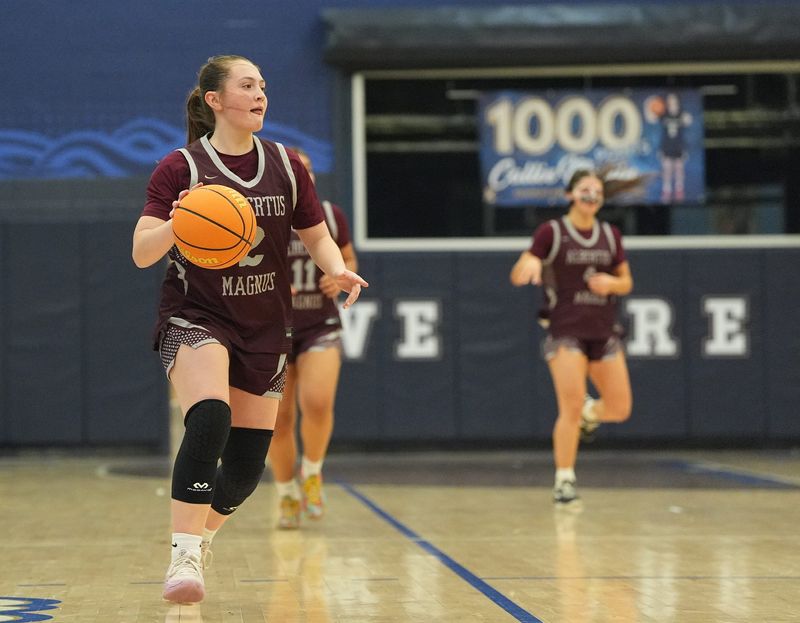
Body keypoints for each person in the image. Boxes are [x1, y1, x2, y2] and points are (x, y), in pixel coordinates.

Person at [131, 54, 368, 604]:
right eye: (247, 85)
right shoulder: (180, 168)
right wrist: (178, 222)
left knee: (243, 469)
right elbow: (143, 253)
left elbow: (316, 235)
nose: (260, 94)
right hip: (196, 315)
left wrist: (336, 268)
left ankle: (201, 538)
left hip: (264, 323)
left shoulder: (286, 165)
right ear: (215, 100)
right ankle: (183, 553)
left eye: (263, 85)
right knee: (210, 416)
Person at [509, 170, 633, 505]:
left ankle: (592, 416)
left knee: (620, 409)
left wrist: (611, 284)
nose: (591, 196)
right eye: (584, 190)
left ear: (602, 200)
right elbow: (522, 267)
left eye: (597, 191)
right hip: (566, 330)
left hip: (603, 330)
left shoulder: (610, 235)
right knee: (571, 406)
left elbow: (626, 282)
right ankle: (564, 479)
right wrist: (529, 265)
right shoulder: (552, 232)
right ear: (570, 195)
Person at [268, 146, 358, 529]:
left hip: (320, 324)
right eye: (292, 170)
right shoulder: (261, 216)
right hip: (272, 329)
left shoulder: (331, 217)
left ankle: (313, 472)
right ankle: (286, 491)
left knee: (318, 402)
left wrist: (339, 274)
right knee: (279, 418)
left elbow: (350, 259)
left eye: (305, 171)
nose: (299, 176)